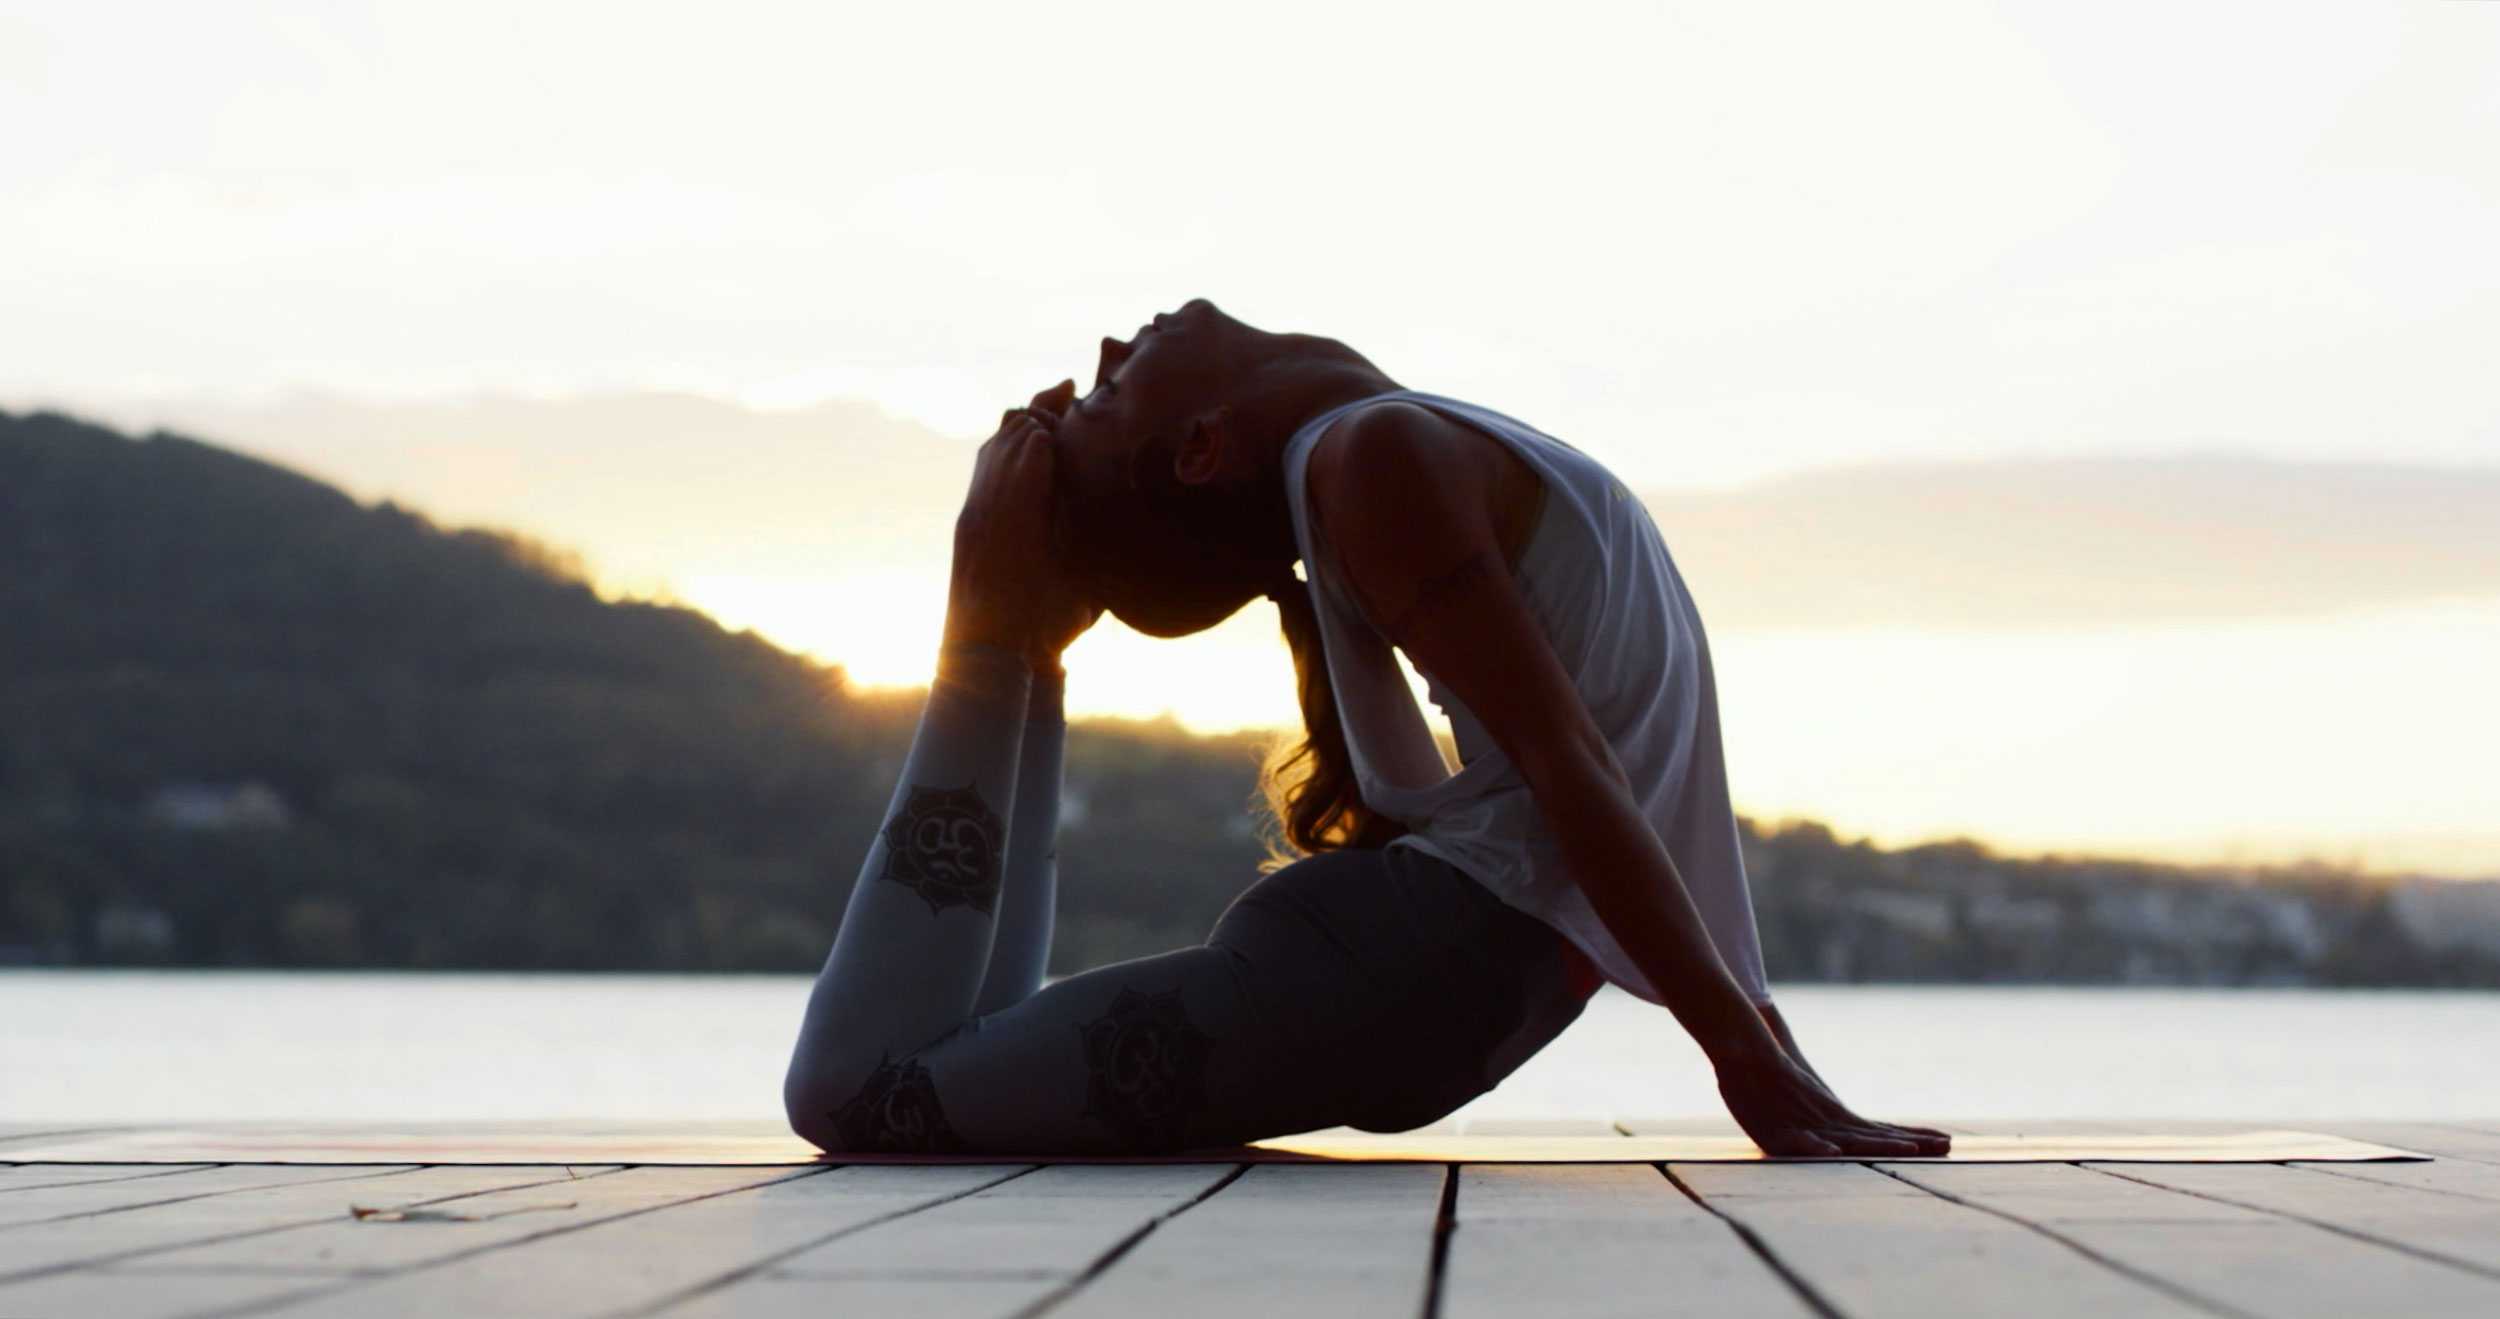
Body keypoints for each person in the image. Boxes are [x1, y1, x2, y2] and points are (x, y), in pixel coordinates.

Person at [782, 300, 1949, 1158]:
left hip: (1403, 978)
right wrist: (1746, 1046)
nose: (1100, 355)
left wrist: (1757, 1038)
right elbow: (1575, 765)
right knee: (873, 1088)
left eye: (1096, 390)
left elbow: (1603, 772)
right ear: (1196, 447)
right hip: (1400, 979)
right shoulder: (1375, 456)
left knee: (890, 1080)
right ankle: (1008, 648)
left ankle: (1013, 651)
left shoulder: (1390, 446)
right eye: (1106, 399)